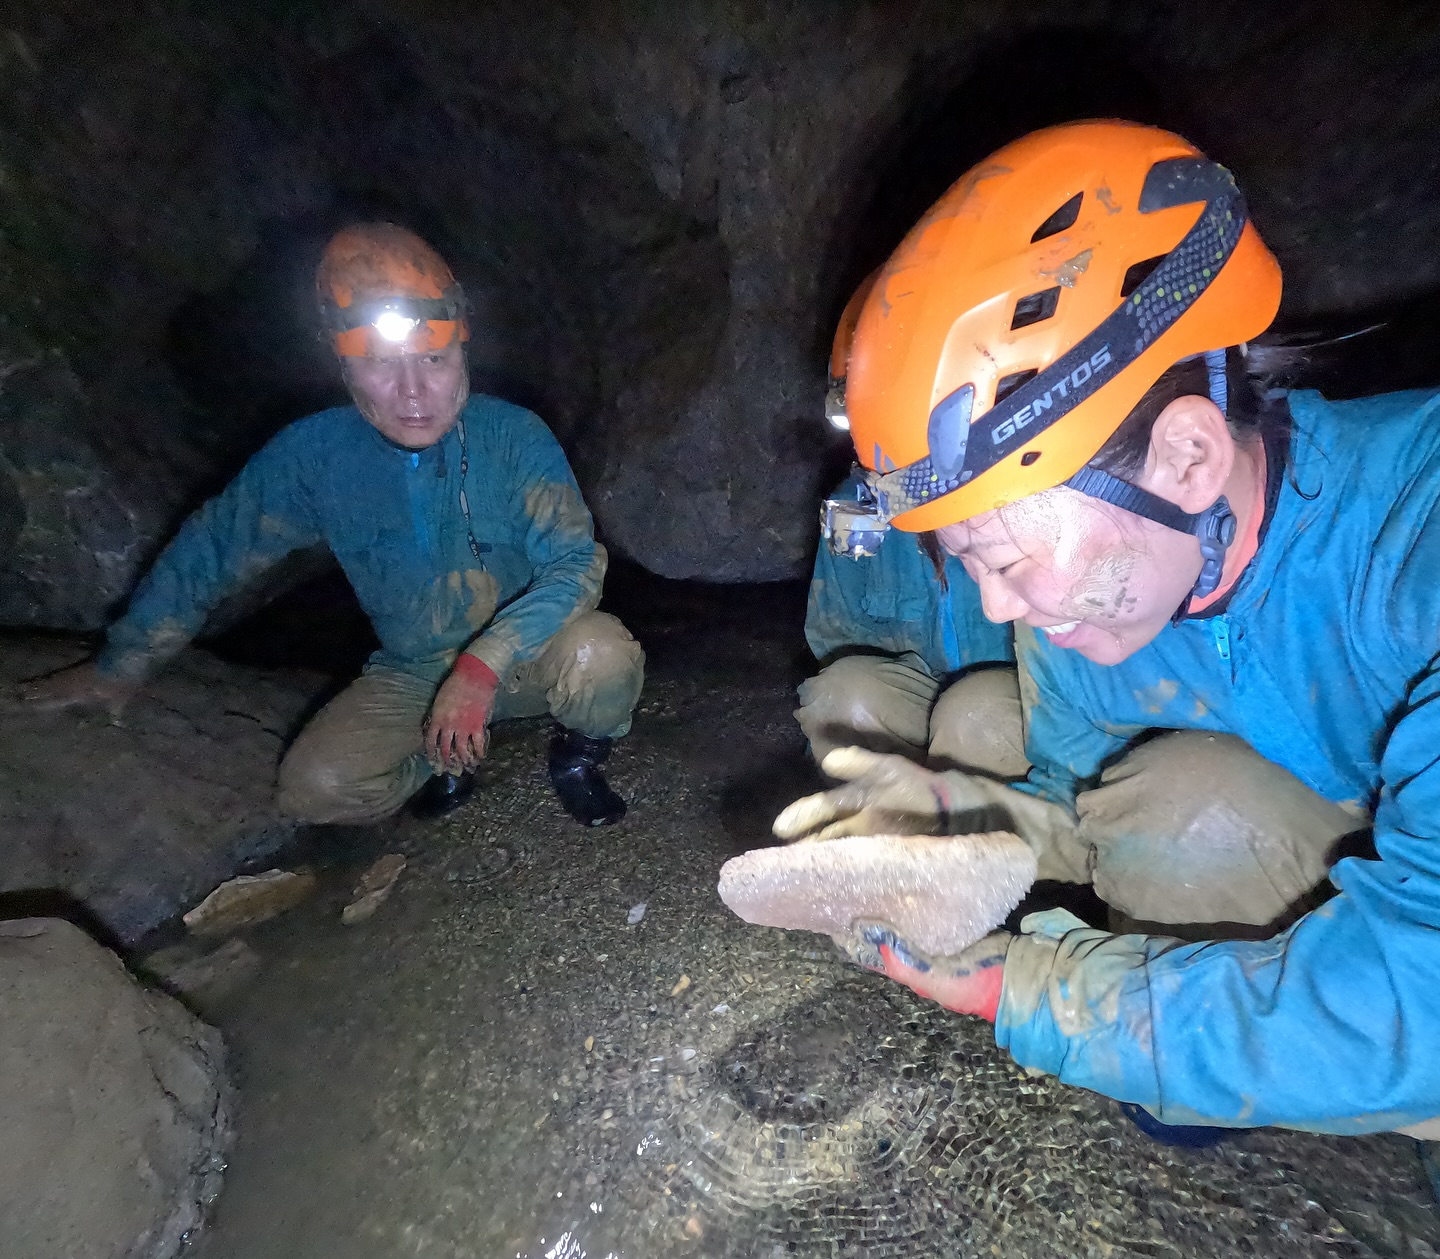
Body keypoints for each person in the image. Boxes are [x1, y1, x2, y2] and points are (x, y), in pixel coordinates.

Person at [774, 120, 1440, 1138]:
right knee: (1171, 805)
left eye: (1002, 548)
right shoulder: (1088, 613)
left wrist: (1054, 999)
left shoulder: (1412, 536)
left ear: (1186, 457)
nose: (993, 604)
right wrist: (950, 807)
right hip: (1366, 842)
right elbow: (1072, 808)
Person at [12, 223, 644, 828]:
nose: (413, 393)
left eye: (433, 359)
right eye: (380, 365)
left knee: (602, 653)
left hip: (528, 654)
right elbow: (212, 550)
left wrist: (481, 668)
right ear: (342, 367)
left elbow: (575, 563)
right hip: (415, 671)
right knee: (314, 792)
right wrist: (120, 665)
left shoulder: (513, 437)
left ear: (462, 345)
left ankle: (578, 754)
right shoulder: (313, 458)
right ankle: (441, 757)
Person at [799, 274, 1019, 775]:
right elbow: (834, 636)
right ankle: (899, 827)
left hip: (1010, 708)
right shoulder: (855, 509)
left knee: (976, 715)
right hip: (919, 693)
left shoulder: (1027, 498)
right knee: (842, 696)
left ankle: (997, 835)